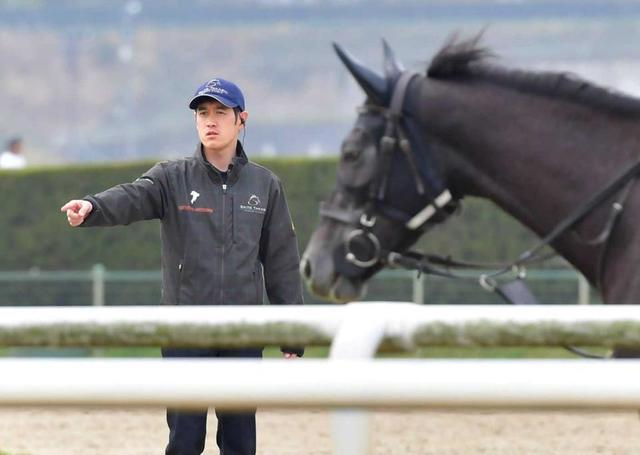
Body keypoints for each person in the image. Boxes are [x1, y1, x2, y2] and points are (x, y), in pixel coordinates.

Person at [60, 77, 304, 455]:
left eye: (220, 112)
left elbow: (282, 260)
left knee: (240, 442)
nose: (210, 120)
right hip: (183, 329)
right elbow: (132, 195)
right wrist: (93, 206)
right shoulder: (171, 178)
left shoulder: (265, 185)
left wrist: (292, 334)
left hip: (243, 332)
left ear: (242, 120)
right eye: (202, 113)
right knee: (184, 440)